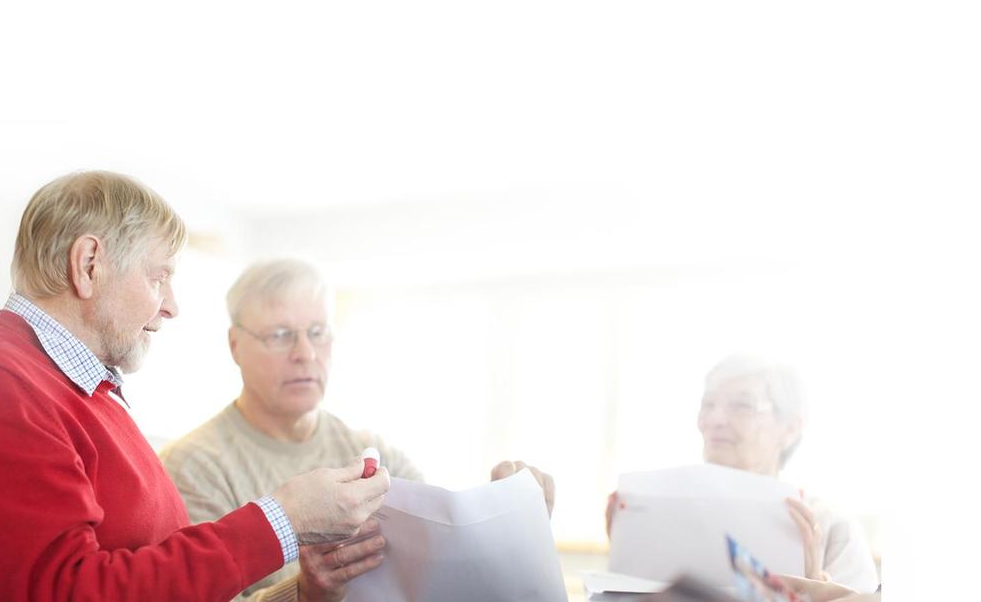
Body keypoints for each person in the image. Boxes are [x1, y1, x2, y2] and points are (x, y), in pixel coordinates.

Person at [0, 172, 389, 602]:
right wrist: (284, 520)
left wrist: (303, 592)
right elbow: (67, 592)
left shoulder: (78, 391)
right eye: (158, 277)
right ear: (89, 265)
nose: (171, 306)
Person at [161, 258, 556, 602]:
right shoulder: (194, 466)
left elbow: (445, 562)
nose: (305, 353)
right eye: (280, 335)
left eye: (317, 332)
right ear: (235, 346)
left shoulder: (372, 450)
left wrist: (513, 519)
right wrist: (306, 593)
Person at [606, 356, 878, 593]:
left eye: (742, 406)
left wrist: (814, 586)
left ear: (790, 428)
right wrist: (628, 551)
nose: (715, 419)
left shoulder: (833, 528)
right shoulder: (659, 512)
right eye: (708, 404)